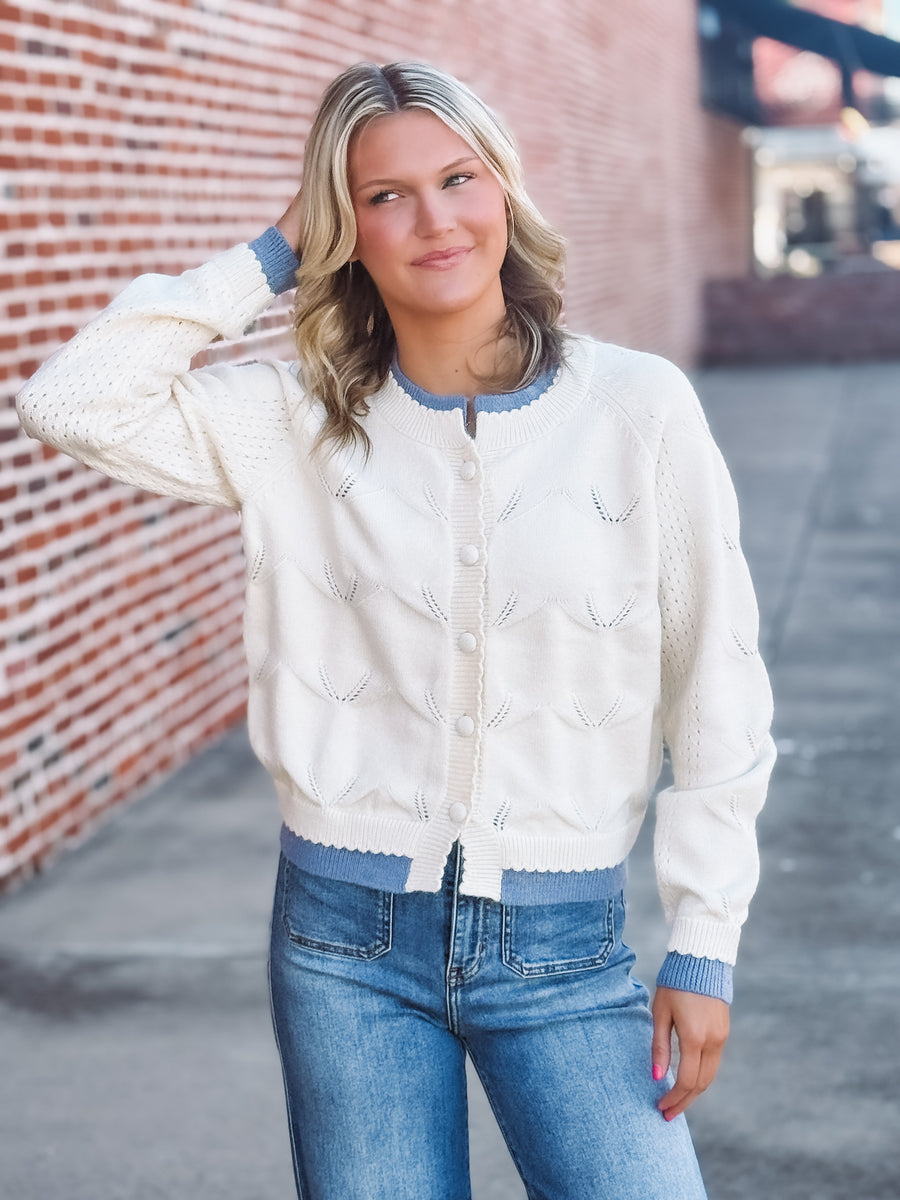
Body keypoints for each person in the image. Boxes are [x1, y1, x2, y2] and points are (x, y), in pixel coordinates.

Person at [17, 59, 776, 1200]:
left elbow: (716, 685)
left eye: (459, 178)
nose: (434, 219)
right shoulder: (292, 420)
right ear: (345, 229)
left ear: (505, 193)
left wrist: (705, 936)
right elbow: (71, 400)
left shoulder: (639, 411)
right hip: (343, 946)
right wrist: (271, 251)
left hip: (564, 945)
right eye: (383, 196)